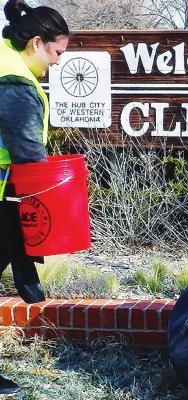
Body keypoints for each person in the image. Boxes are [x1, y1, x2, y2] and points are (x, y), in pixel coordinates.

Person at [0, 0, 68, 394]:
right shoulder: (15, 83)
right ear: (37, 42)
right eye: (57, 52)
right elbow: (27, 153)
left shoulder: (5, 61)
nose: (58, 62)